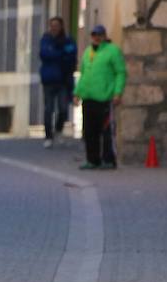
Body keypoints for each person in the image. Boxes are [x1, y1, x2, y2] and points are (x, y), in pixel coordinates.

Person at [73, 24, 126, 169]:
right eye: (94, 35)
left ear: (104, 36)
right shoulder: (88, 52)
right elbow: (84, 74)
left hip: (104, 98)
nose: (96, 38)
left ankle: (109, 159)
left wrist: (117, 92)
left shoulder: (112, 51)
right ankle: (92, 160)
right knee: (89, 131)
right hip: (88, 97)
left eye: (99, 35)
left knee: (106, 131)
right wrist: (77, 93)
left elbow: (120, 72)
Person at [39, 17, 77, 148]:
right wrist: (61, 54)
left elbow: (72, 55)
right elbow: (44, 54)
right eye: (52, 25)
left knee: (63, 108)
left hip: (63, 80)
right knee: (48, 109)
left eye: (57, 25)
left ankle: (59, 130)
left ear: (61, 26)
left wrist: (57, 54)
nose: (54, 28)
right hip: (49, 80)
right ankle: (48, 136)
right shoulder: (46, 39)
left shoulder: (68, 40)